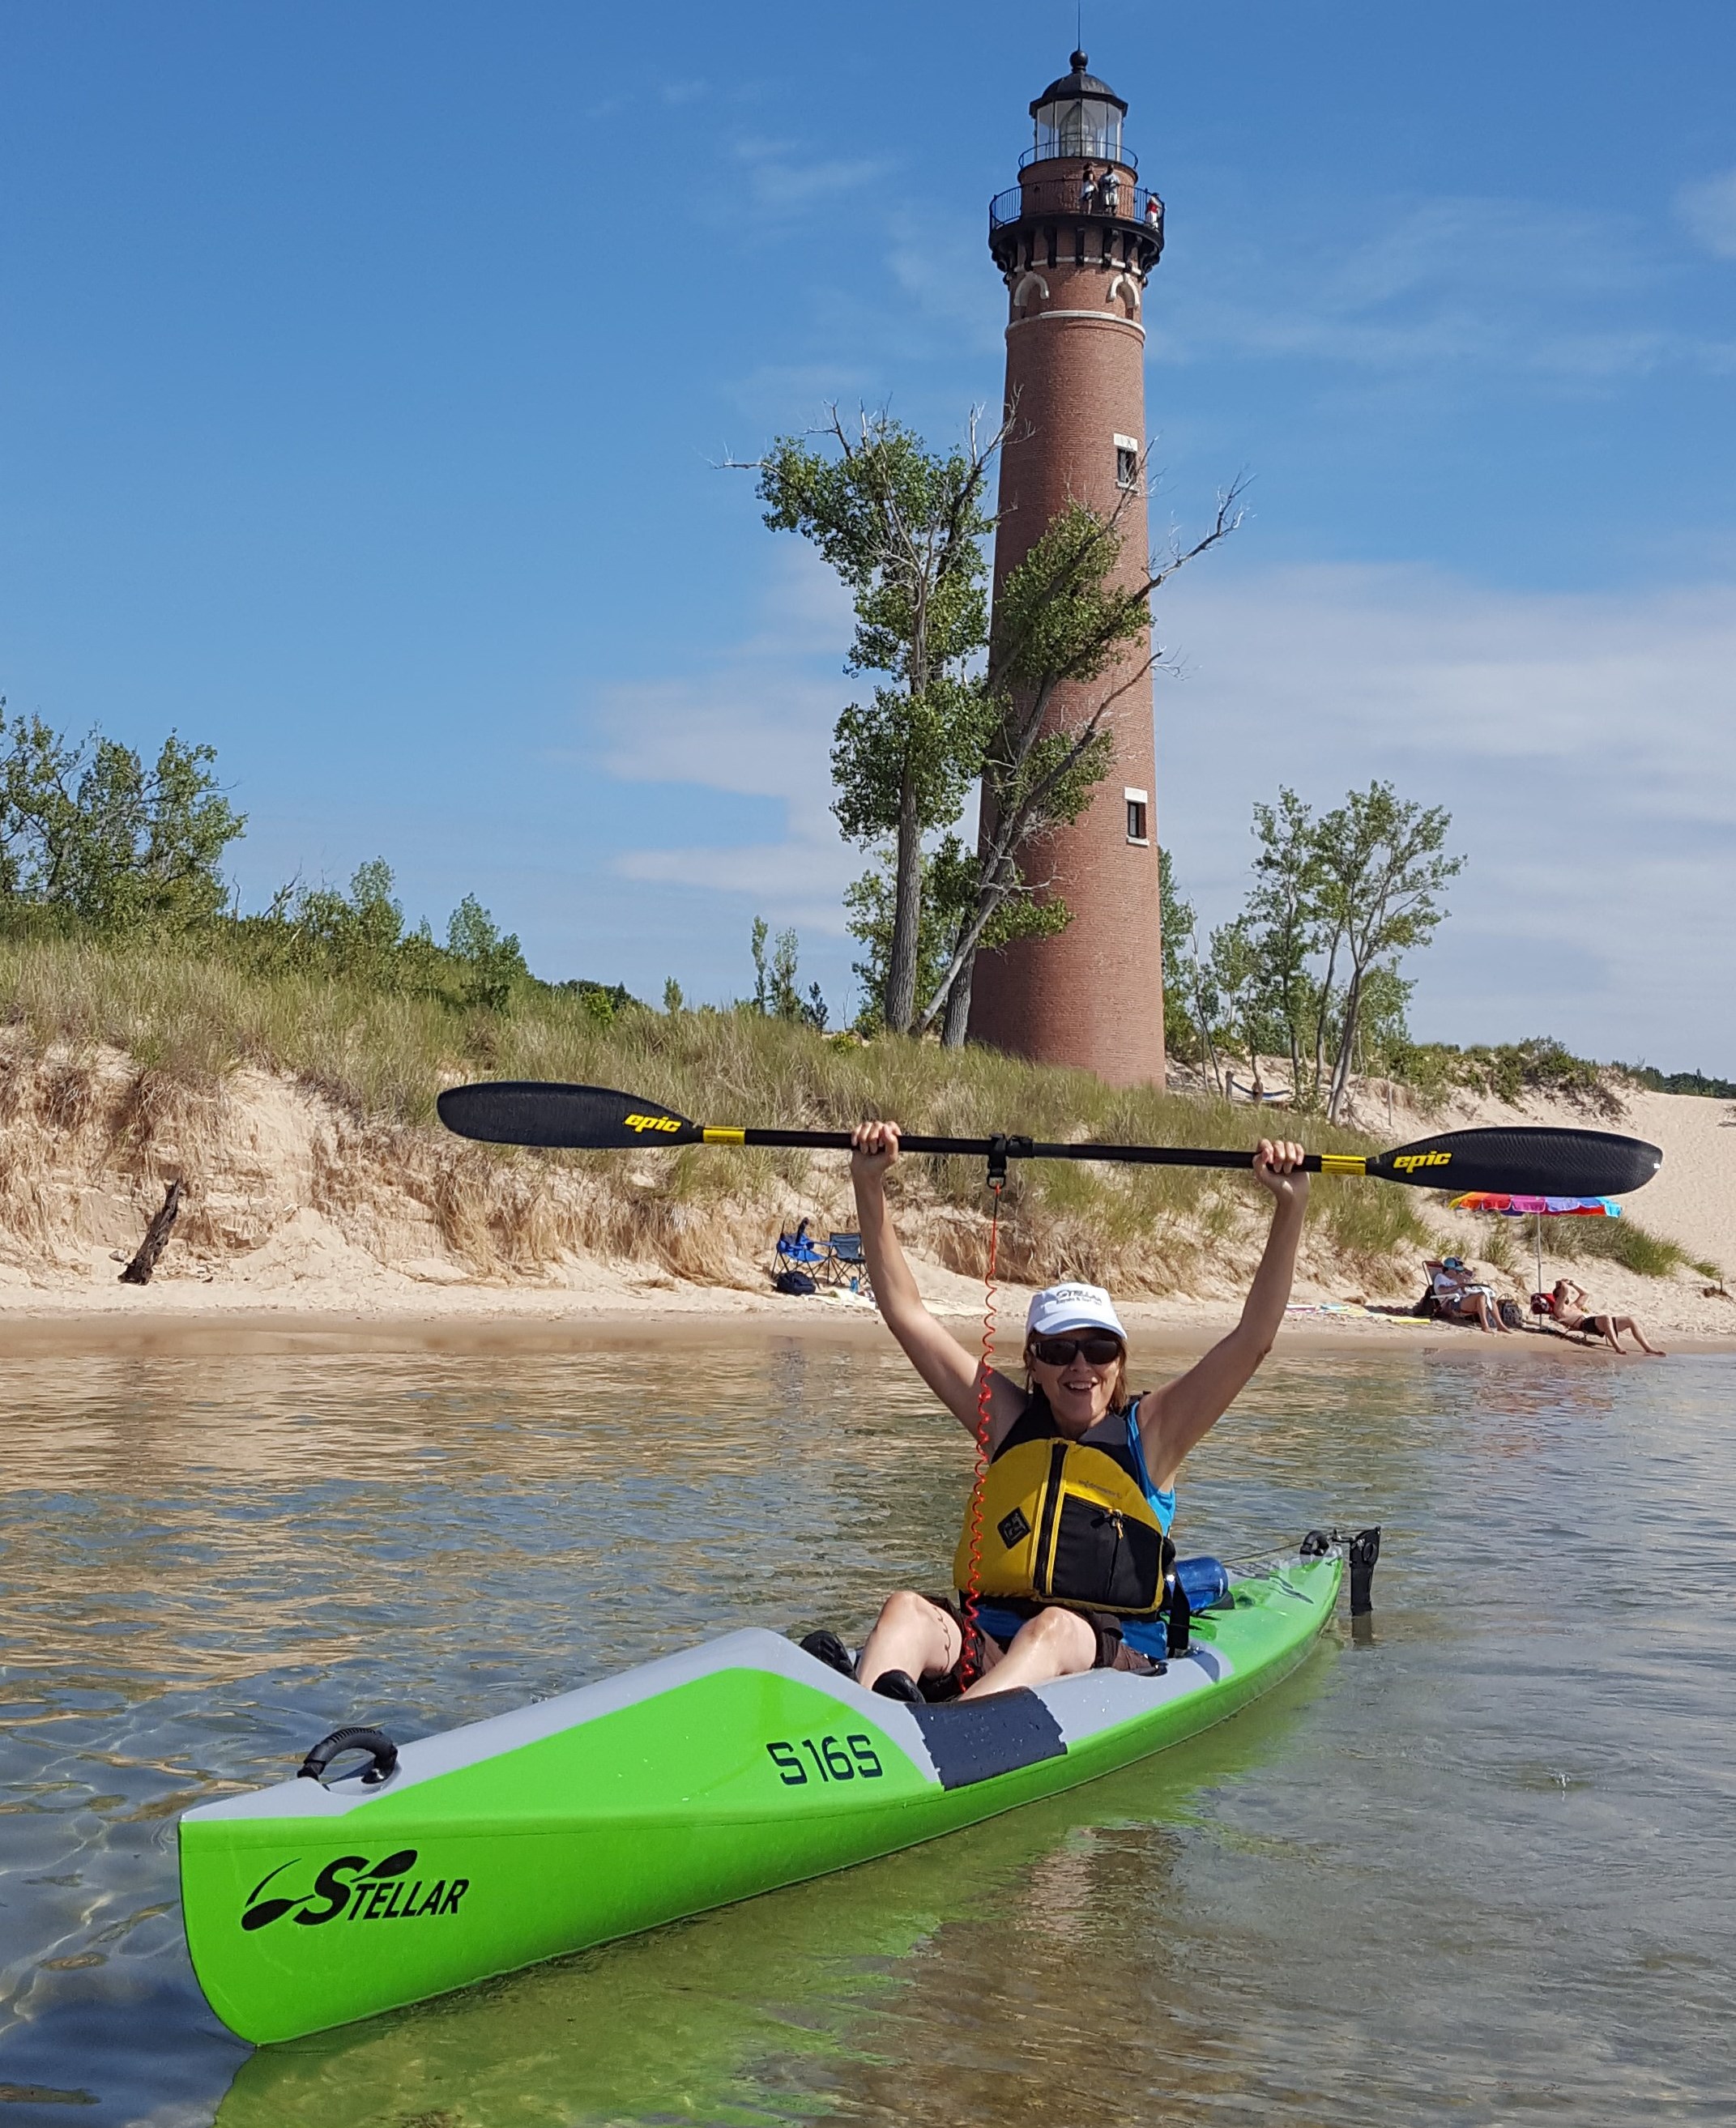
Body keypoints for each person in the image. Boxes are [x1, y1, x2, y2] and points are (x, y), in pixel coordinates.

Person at [805, 1124, 1309, 1704]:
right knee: (905, 1609)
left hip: (1108, 1652)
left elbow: (1252, 1339)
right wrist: (867, 1184)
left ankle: (953, 1734)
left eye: (1098, 1350)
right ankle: (862, 1719)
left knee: (1053, 1628)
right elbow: (905, 1313)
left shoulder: (1155, 1435)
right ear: (1033, 1363)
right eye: (1057, 1350)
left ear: (1118, 1362)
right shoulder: (1005, 1420)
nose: (1080, 1367)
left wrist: (1288, 1207)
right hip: (993, 1643)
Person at [1546, 1279, 1666, 1355]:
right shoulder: (1559, 1309)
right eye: (1561, 1292)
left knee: (1630, 1319)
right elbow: (1565, 1291)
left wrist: (1572, 1283)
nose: (1565, 1295)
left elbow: (1585, 1294)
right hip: (1585, 1324)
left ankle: (1648, 1348)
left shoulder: (1574, 1306)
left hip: (1596, 1322)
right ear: (1559, 1295)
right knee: (1606, 1318)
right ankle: (1618, 1347)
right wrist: (1561, 1284)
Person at [1426, 1258, 1511, 1333]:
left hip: (1463, 1300)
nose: (1458, 1272)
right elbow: (1442, 1290)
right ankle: (1485, 1326)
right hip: (1452, 1304)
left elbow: (1466, 1281)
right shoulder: (1440, 1277)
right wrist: (1458, 1285)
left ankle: (1500, 1325)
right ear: (1449, 1269)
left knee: (1490, 1298)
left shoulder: (1454, 1279)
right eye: (1457, 1270)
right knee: (1481, 1296)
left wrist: (1465, 1285)